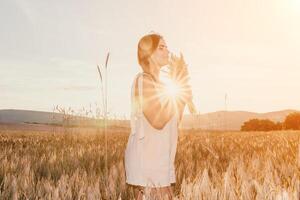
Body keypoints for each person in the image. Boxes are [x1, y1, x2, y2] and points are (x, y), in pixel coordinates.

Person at [124, 33, 192, 199]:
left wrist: (182, 97)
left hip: (161, 158)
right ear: (149, 53)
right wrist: (178, 90)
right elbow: (158, 121)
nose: (167, 51)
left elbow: (173, 122)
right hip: (148, 160)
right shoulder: (142, 80)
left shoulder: (162, 87)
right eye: (161, 47)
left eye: (167, 47)